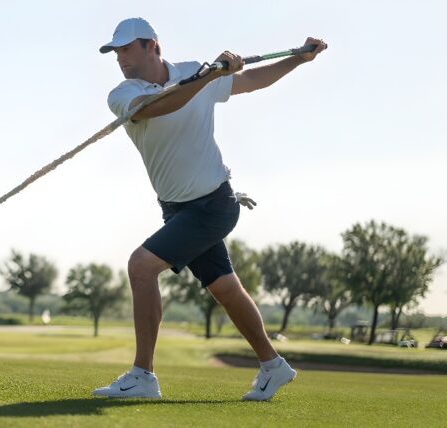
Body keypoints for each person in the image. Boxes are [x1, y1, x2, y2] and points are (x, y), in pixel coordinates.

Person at [92, 17, 326, 401]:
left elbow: (252, 81)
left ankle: (143, 375)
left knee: (141, 266)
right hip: (177, 209)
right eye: (115, 51)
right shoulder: (123, 93)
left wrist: (298, 60)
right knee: (226, 289)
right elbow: (156, 107)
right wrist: (206, 78)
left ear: (153, 45)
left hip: (214, 203)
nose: (120, 57)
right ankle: (273, 365)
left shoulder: (194, 72)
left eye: (126, 48)